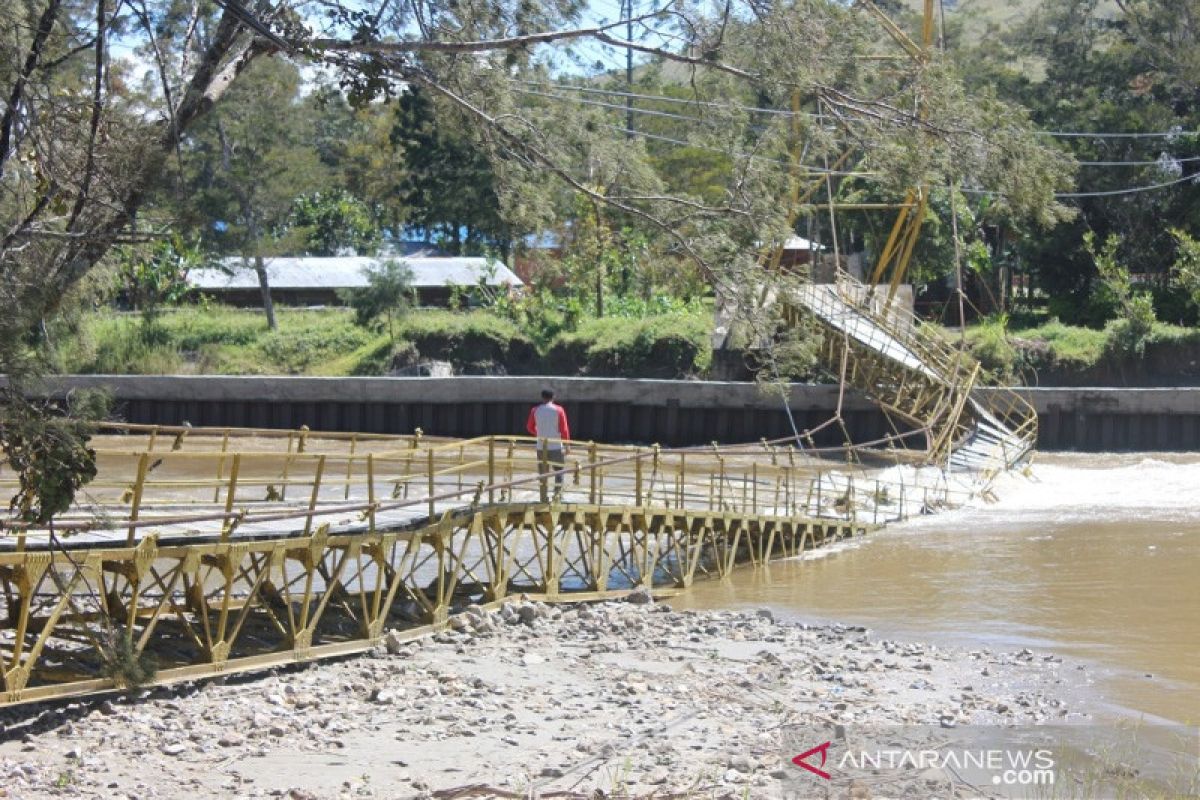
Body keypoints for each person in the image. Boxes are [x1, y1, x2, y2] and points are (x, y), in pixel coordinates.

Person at [526, 388, 571, 501]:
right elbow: (564, 430)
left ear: (542, 397)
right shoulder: (559, 410)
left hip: (541, 447)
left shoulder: (535, 410)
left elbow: (529, 427)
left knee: (543, 473)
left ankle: (543, 497)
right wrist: (567, 445)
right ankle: (557, 496)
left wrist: (539, 433)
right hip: (556, 446)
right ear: (553, 397)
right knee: (559, 472)